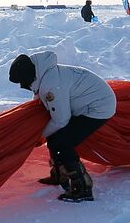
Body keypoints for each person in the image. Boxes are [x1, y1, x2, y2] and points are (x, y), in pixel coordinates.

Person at [8, 51, 116, 202]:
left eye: (22, 82)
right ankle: (61, 175)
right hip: (90, 102)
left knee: (62, 142)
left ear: (29, 76)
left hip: (99, 108)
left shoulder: (51, 85)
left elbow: (61, 120)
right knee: (55, 137)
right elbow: (42, 98)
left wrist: (39, 136)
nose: (22, 86)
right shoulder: (45, 73)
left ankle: (83, 188)